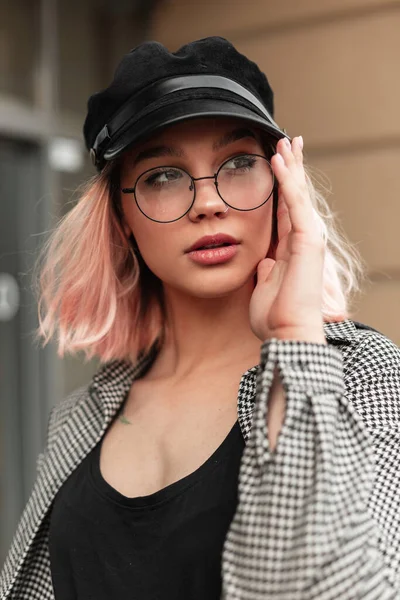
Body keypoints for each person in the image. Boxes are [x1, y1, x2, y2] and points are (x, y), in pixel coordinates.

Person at [1, 36, 399, 600]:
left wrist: (294, 341)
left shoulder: (364, 378)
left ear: (282, 187)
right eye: (163, 175)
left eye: (238, 163)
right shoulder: (80, 417)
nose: (209, 202)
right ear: (120, 217)